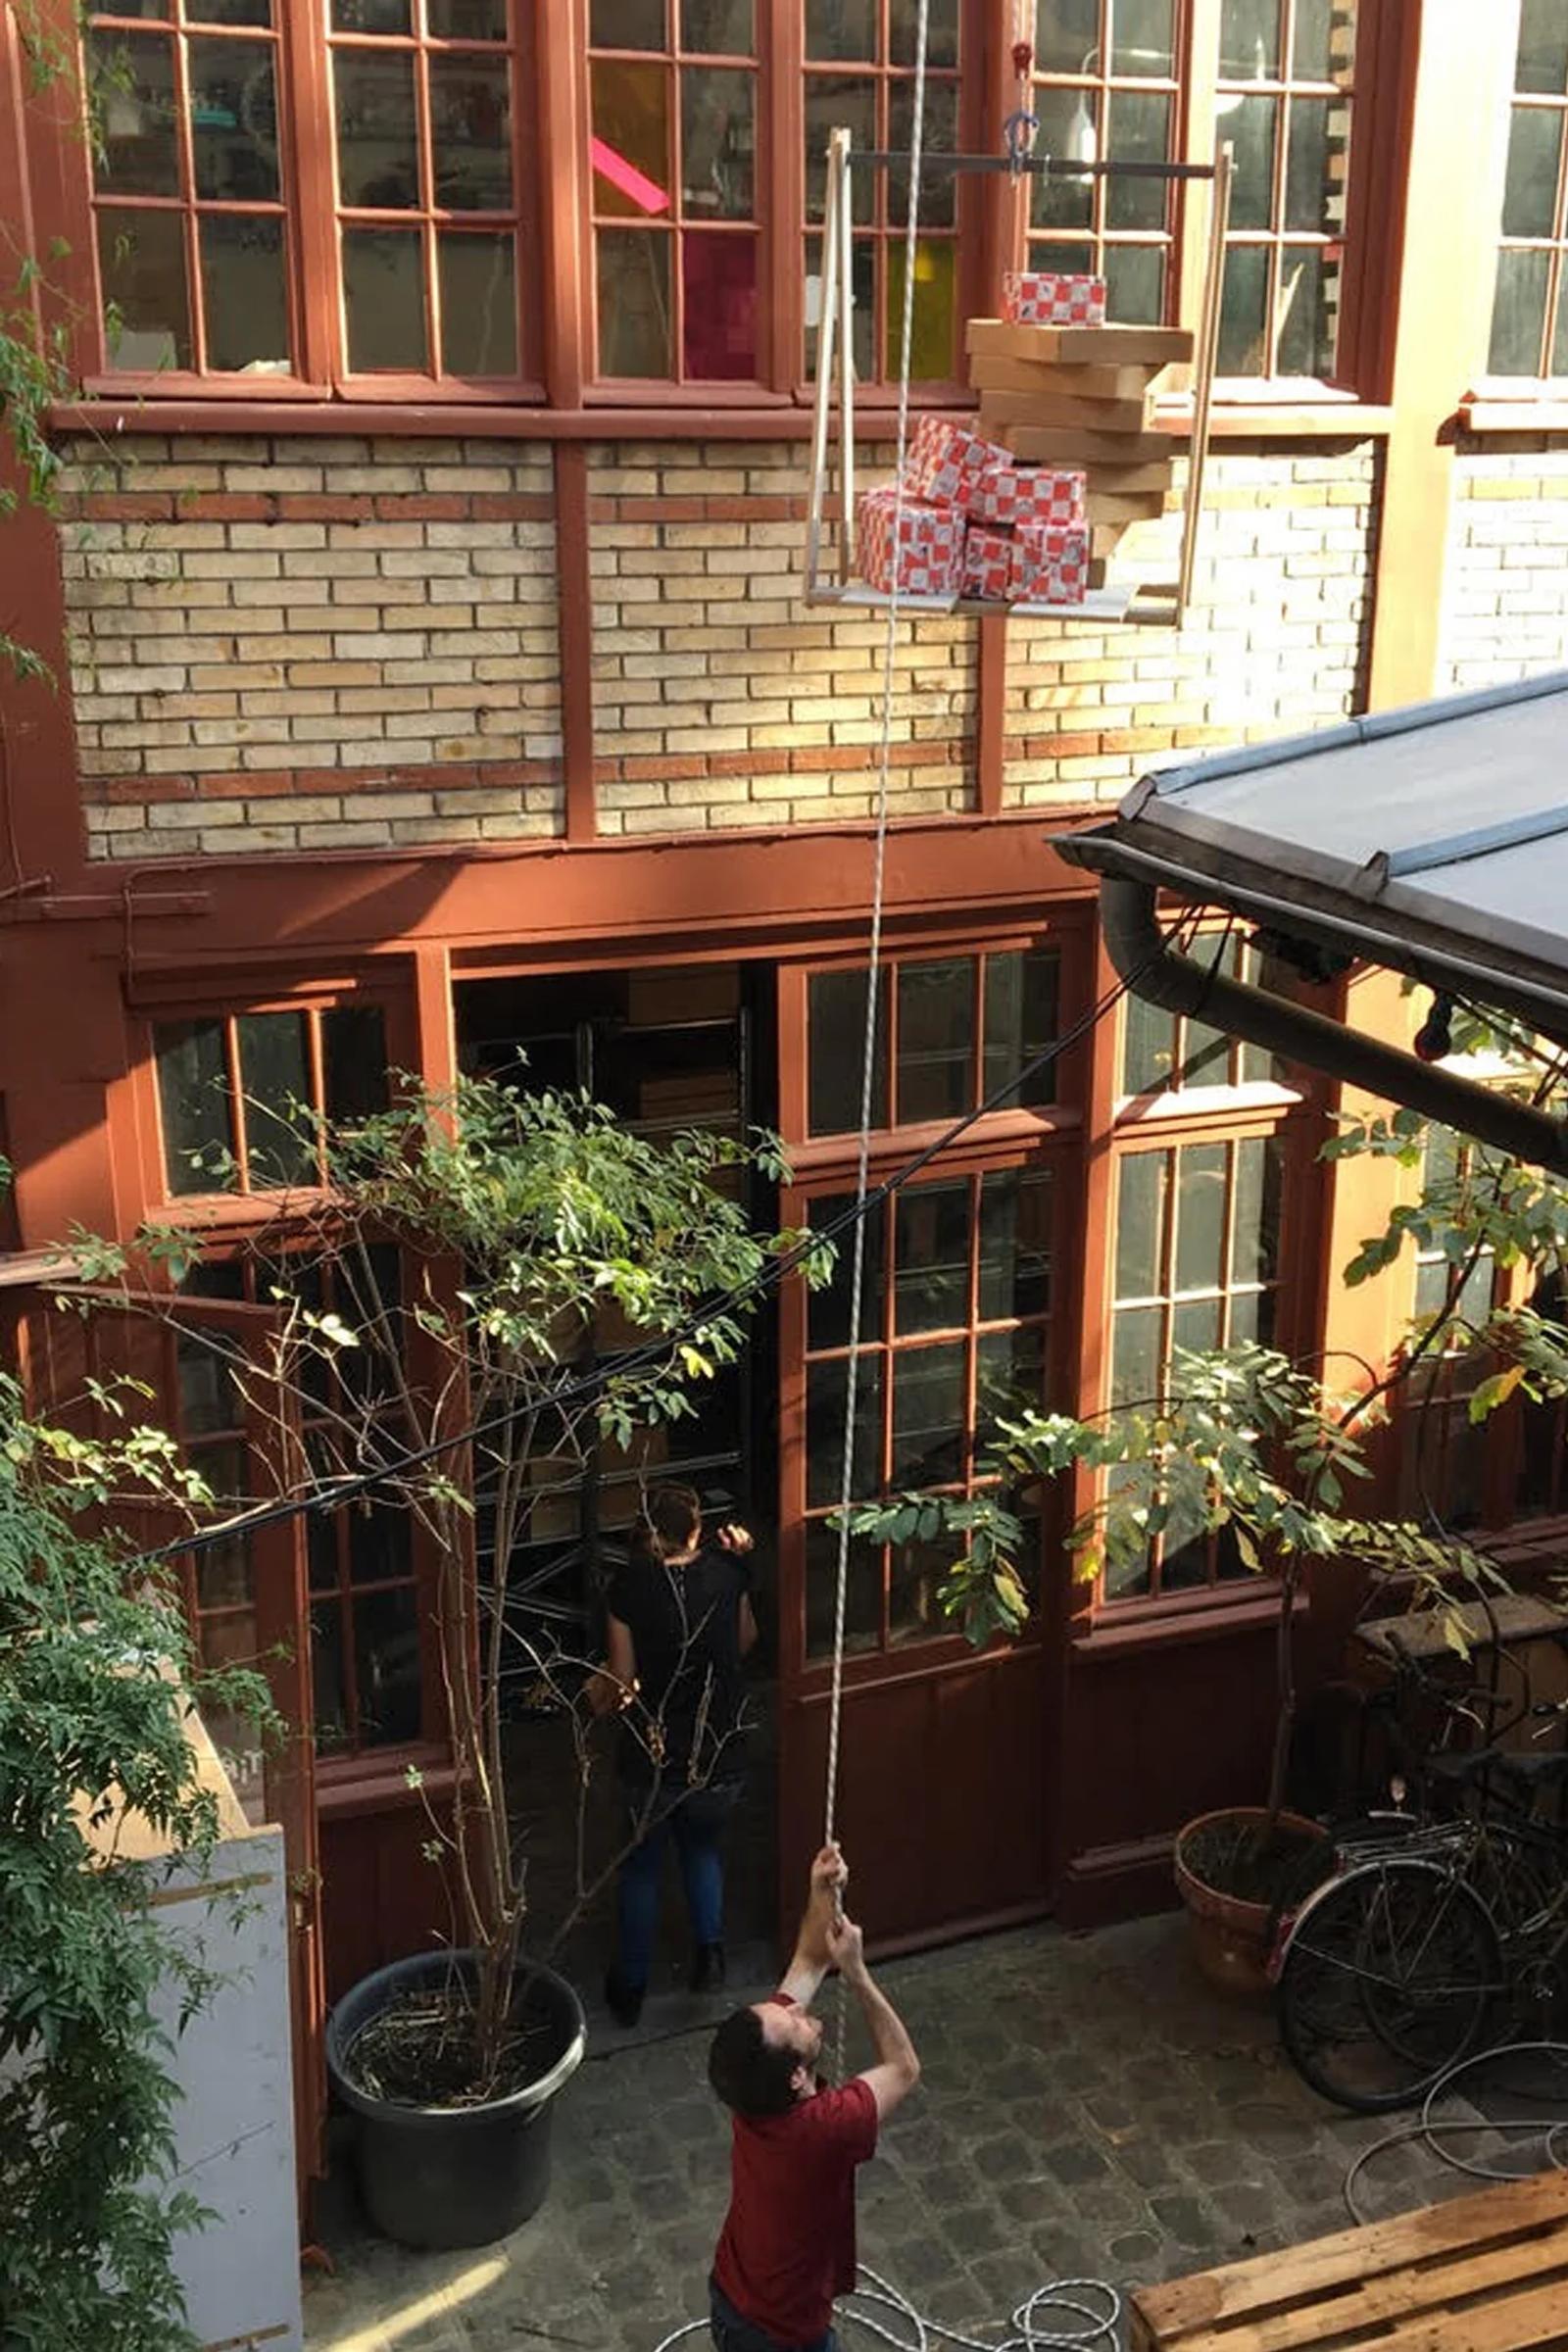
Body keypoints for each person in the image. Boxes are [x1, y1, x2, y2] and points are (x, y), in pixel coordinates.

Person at [705, 1843, 921, 2352]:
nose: (800, 2011)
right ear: (798, 2080)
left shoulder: (751, 2088)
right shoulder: (822, 2128)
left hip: (731, 2300)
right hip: (784, 2337)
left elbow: (807, 1958)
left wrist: (820, 1890)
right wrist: (859, 1975)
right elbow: (905, 2069)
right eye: (796, 2023)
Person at [592, 1482, 759, 2027]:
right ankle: (709, 1956)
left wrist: (592, 1698)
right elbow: (746, 1641)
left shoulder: (628, 1590)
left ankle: (631, 1986)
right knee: (702, 1850)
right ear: (696, 1527)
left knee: (641, 1868)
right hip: (716, 1746)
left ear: (647, 1531)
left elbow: (621, 1684)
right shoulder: (727, 1575)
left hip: (654, 1749)